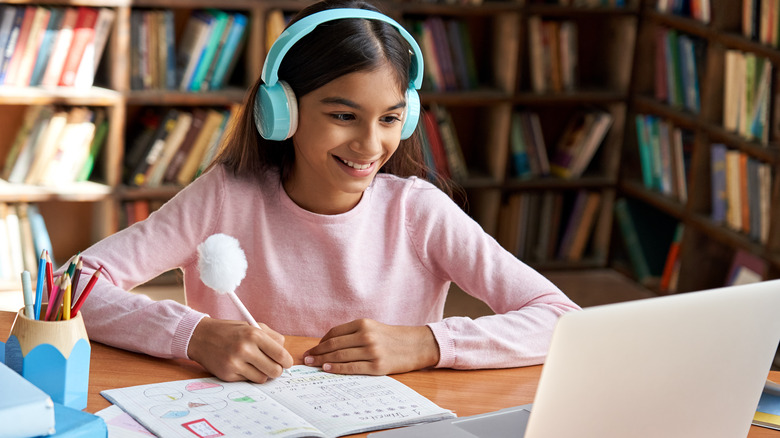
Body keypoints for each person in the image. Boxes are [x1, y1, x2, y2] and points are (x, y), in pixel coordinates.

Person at [70, 0, 580, 384]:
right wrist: (193, 334)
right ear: (281, 111)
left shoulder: (418, 212)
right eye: (343, 116)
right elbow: (74, 287)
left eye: (389, 119)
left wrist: (427, 343)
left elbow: (560, 319)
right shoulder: (225, 197)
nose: (369, 143)